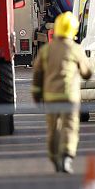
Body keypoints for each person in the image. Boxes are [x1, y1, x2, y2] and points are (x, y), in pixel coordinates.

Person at [31, 12, 91, 174]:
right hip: (70, 96)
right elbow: (87, 73)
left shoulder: (46, 50)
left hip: (51, 96)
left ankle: (54, 157)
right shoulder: (76, 49)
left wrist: (36, 94)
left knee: (53, 129)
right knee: (70, 127)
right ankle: (67, 156)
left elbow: (37, 74)